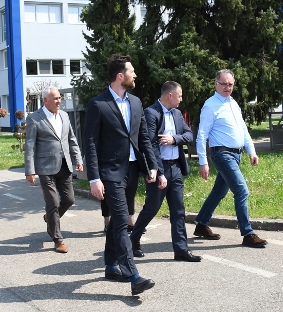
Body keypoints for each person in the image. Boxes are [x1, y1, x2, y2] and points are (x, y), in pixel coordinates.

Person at [83, 54, 159, 295]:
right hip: (110, 173)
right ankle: (133, 276)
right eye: (131, 71)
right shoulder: (98, 104)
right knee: (122, 221)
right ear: (120, 76)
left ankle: (110, 265)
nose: (135, 75)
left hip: (132, 170)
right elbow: (90, 143)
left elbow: (143, 137)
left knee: (118, 220)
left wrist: (152, 165)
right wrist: (94, 178)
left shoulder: (135, 103)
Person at [194, 69, 267, 248]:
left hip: (236, 154)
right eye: (224, 84)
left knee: (219, 192)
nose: (227, 87)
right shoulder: (210, 105)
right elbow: (201, 135)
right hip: (222, 154)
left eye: (230, 84)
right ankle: (247, 234)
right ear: (216, 84)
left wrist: (251, 151)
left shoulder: (233, 103)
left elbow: (243, 129)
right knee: (242, 191)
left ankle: (201, 224)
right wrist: (203, 162)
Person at [130, 81, 201, 262]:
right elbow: (150, 145)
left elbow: (189, 135)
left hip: (175, 167)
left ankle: (181, 249)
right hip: (159, 168)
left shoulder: (177, 114)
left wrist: (174, 139)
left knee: (178, 210)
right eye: (180, 96)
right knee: (152, 208)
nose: (181, 99)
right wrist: (159, 172)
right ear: (170, 95)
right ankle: (133, 240)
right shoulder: (151, 113)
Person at [24, 87, 84, 254]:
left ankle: (50, 218)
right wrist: (30, 170)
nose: (59, 101)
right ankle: (58, 239)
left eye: (60, 98)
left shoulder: (64, 115)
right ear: (45, 100)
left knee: (69, 199)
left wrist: (78, 159)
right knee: (53, 203)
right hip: (45, 167)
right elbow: (30, 146)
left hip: (64, 165)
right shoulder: (34, 118)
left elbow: (71, 139)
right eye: (55, 98)